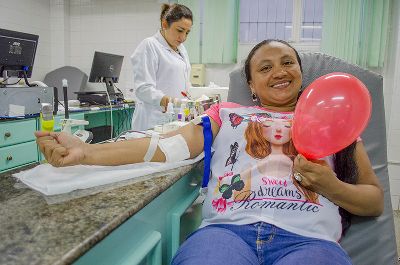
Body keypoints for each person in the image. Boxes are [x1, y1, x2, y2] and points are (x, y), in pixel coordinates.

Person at [35, 39, 383, 265]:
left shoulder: (336, 121)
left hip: (309, 241)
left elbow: (373, 200)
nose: (279, 71)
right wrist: (86, 153)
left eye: (288, 63)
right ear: (251, 85)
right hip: (227, 234)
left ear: (300, 72)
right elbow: (167, 147)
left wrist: (330, 186)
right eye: (265, 68)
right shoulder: (228, 114)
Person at [130, 3, 193, 130]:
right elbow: (143, 88)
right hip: (152, 120)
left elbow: (183, 82)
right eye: (180, 30)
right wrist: (168, 100)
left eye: (187, 32)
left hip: (175, 119)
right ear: (164, 24)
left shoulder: (181, 49)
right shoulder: (149, 45)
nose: (183, 37)